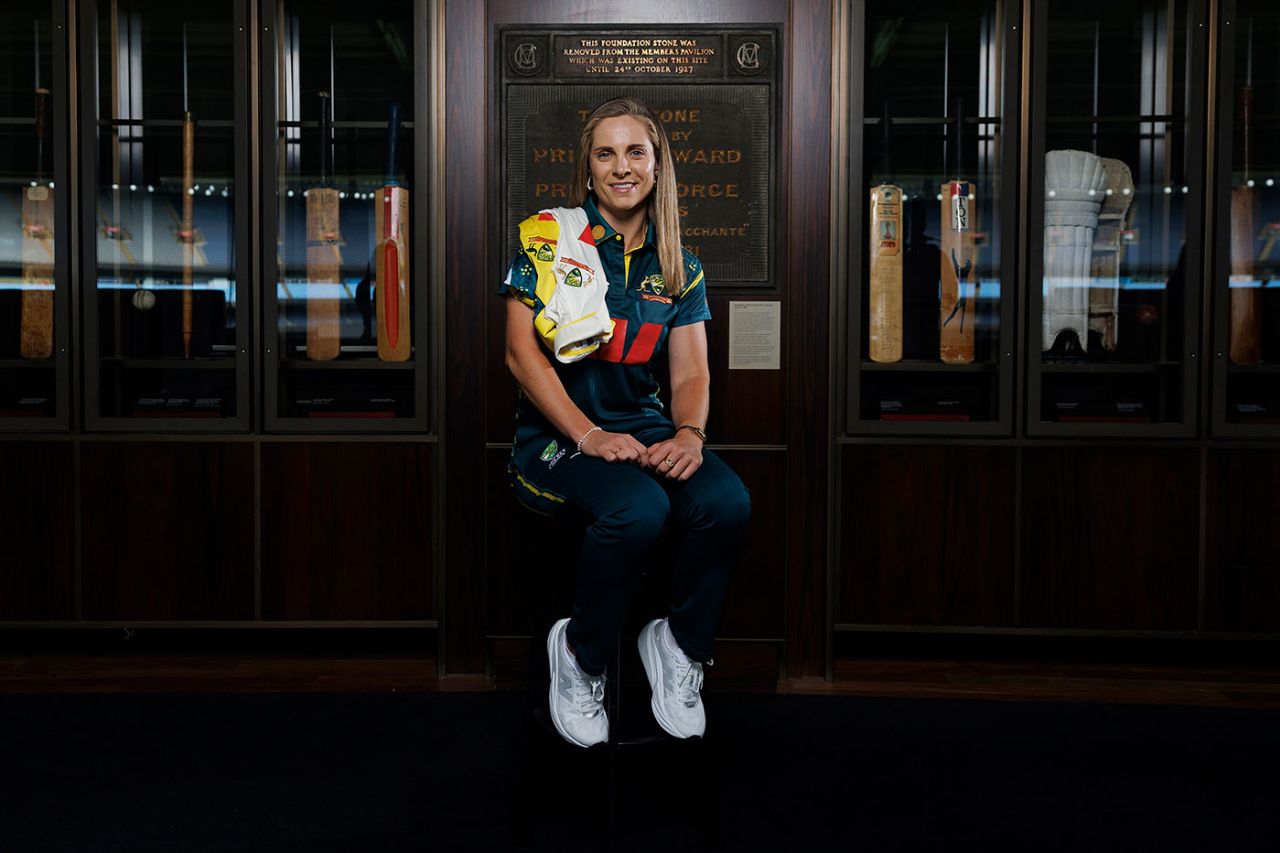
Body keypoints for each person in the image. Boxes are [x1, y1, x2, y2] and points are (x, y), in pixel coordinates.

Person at [498, 97, 751, 748]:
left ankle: (678, 643)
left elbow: (691, 373)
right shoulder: (553, 241)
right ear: (588, 170)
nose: (621, 167)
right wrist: (588, 434)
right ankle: (580, 659)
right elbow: (519, 353)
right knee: (638, 508)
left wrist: (688, 435)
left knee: (725, 498)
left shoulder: (680, 265)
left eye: (635, 152)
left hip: (641, 429)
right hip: (556, 441)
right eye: (605, 154)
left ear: (658, 166)